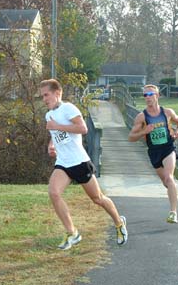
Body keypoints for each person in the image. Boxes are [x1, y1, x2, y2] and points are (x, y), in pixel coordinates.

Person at [40, 78, 128, 250]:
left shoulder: (68, 108)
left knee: (98, 199)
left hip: (80, 162)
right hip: (63, 163)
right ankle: (72, 233)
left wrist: (57, 125)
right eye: (42, 96)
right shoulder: (48, 114)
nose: (44, 99)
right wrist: (51, 145)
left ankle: (119, 222)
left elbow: (83, 128)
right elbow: (55, 134)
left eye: (46, 95)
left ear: (57, 93)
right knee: (54, 192)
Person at [128, 84, 178, 223]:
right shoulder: (142, 117)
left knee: (169, 178)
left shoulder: (167, 112)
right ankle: (173, 192)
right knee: (166, 182)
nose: (148, 97)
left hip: (168, 148)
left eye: (151, 94)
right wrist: (143, 131)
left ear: (157, 96)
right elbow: (131, 137)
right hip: (154, 152)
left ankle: (173, 213)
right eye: (145, 95)